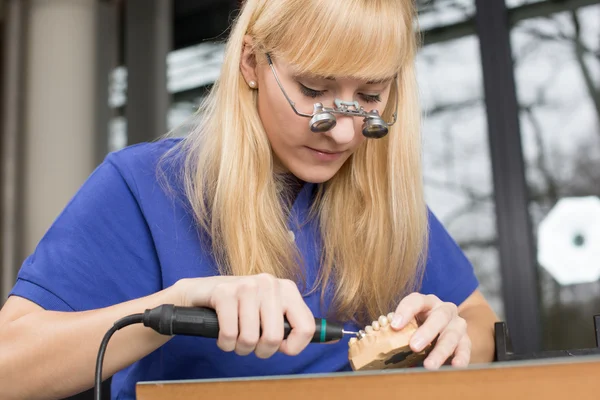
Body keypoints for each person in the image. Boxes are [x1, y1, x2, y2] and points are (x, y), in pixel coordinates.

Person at [0, 0, 499, 399]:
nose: (345, 133)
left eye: (370, 98)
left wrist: (446, 338)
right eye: (313, 89)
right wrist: (171, 306)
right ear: (252, 63)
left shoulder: (383, 203)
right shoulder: (144, 187)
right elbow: (8, 368)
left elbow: (479, 323)